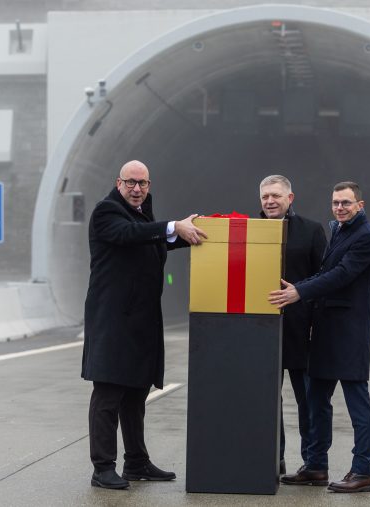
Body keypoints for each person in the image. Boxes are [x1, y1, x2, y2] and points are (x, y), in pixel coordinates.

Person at [82, 160, 207, 490]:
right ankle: (102, 468)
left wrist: (193, 232)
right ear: (118, 183)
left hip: (140, 322)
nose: (137, 189)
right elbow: (129, 235)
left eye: (143, 183)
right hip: (113, 321)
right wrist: (173, 226)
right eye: (131, 182)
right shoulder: (107, 212)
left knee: (136, 396)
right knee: (108, 395)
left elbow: (154, 240)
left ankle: (136, 462)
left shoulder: (142, 215)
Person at [269, 181, 370, 493]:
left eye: (346, 203)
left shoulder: (366, 237)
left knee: (358, 403)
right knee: (315, 403)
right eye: (335, 203)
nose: (340, 208)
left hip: (348, 333)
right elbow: (324, 272)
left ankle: (362, 471)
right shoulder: (340, 231)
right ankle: (315, 466)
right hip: (324, 332)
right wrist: (298, 287)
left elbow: (341, 275)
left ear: (360, 205)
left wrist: (299, 292)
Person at [258, 175, 327, 475]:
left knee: (308, 401)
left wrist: (317, 323)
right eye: (265, 197)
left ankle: (313, 463)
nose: (270, 201)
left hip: (302, 329)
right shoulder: (250, 231)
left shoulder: (311, 231)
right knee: (266, 400)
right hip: (260, 329)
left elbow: (324, 279)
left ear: (290, 198)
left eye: (276, 196)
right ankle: (274, 459)